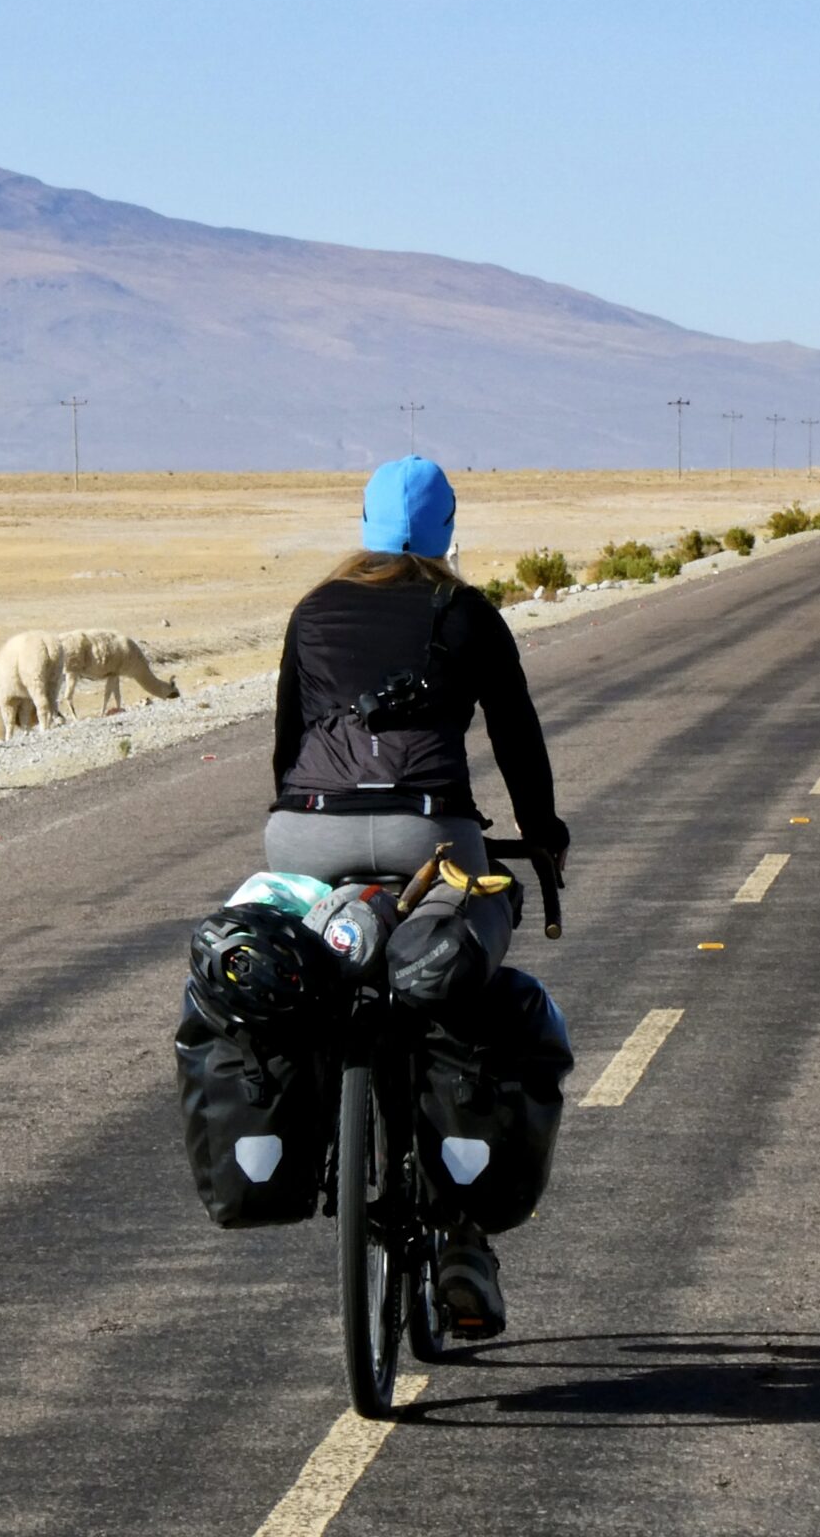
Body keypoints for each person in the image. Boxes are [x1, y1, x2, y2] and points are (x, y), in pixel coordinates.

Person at [267, 454, 569, 1337]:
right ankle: (464, 1237)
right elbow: (517, 736)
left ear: (363, 523)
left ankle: (324, 1114)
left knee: (324, 965)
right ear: (446, 531)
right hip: (427, 833)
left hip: (305, 828)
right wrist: (542, 835)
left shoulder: (313, 608)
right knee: (450, 980)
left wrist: (305, 820)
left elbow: (288, 741)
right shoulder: (466, 613)